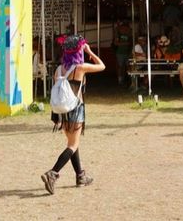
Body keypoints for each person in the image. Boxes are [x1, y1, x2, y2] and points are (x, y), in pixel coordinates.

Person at [41, 35, 105, 195]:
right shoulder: (80, 67)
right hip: (76, 109)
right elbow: (102, 66)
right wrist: (90, 52)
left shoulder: (59, 69)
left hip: (62, 112)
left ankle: (80, 176)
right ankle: (53, 173)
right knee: (73, 145)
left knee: (72, 142)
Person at [113, 21, 133, 86]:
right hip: (120, 53)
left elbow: (131, 43)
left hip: (128, 52)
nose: (125, 29)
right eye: (124, 28)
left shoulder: (129, 35)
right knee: (120, 67)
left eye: (126, 28)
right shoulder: (118, 34)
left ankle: (130, 80)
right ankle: (120, 80)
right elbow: (115, 43)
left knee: (128, 67)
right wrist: (125, 43)